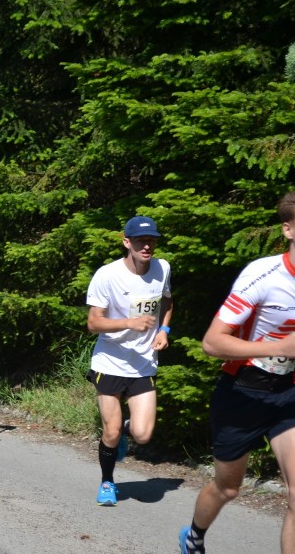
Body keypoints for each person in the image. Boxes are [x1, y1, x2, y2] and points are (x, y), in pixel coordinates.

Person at [179, 191, 295, 554]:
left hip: (291, 393)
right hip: (243, 394)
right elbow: (212, 343)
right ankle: (195, 535)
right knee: (228, 488)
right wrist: (277, 347)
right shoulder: (264, 274)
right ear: (288, 229)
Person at [86, 216, 172, 507]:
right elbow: (93, 322)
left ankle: (124, 429)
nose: (147, 246)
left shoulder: (162, 269)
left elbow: (167, 301)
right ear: (127, 242)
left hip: (144, 363)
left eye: (151, 241)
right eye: (140, 241)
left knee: (143, 434)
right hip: (110, 362)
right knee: (108, 432)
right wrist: (128, 323)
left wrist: (164, 329)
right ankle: (107, 482)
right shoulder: (107, 275)